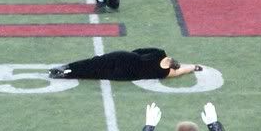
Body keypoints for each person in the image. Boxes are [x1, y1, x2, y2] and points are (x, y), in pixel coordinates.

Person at [49, 48, 203, 80]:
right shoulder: (166, 73)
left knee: (94, 62)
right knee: (95, 74)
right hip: (125, 74)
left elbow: (140, 50)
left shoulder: (160, 53)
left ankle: (67, 67)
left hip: (124, 57)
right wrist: (194, 67)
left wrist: (131, 55)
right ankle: (66, 75)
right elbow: (183, 70)